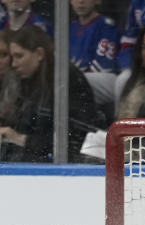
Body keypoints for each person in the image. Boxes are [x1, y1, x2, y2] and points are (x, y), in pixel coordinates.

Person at [0, 25, 104, 162]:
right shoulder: (24, 81)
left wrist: (20, 139)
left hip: (69, 164)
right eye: (12, 57)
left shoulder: (66, 78)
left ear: (39, 54)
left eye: (19, 56)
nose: (13, 64)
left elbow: (75, 137)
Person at [68, 0, 119, 74]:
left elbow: (104, 66)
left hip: (99, 76)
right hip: (75, 77)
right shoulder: (70, 28)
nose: (81, 1)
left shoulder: (106, 26)